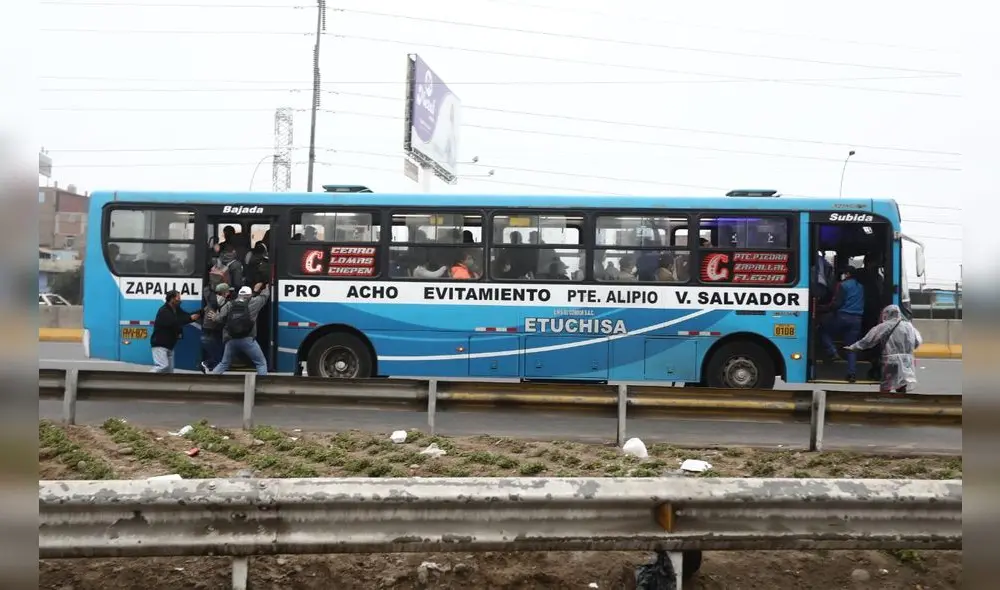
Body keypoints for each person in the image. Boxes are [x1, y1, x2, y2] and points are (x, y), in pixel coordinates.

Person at [844, 304, 922, 394]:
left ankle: (883, 404)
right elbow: (918, 341)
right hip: (907, 361)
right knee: (902, 384)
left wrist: (853, 347)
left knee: (886, 385)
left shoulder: (884, 326)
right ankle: (901, 404)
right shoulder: (909, 326)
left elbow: (867, 341)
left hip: (890, 360)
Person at [817, 264, 865, 382]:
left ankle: (832, 352)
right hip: (857, 320)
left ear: (847, 274)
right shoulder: (861, 287)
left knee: (822, 329)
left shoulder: (843, 285)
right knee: (851, 347)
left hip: (843, 317)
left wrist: (823, 308)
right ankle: (852, 374)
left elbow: (836, 304)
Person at [210, 283, 270, 375]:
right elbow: (264, 297)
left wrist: (215, 317)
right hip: (248, 339)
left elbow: (220, 319)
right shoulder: (254, 302)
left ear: (239, 295)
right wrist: (266, 288)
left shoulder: (229, 304)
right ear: (249, 295)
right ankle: (263, 385)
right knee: (261, 363)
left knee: (224, 363)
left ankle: (211, 380)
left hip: (231, 339)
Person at [149, 290, 200, 373]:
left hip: (170, 345)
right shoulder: (164, 311)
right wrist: (190, 318)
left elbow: (185, 316)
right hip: (160, 344)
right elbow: (175, 322)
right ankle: (145, 378)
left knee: (169, 371)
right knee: (162, 366)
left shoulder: (176, 309)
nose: (180, 300)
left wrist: (201, 312)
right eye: (178, 298)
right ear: (172, 299)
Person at [199, 282, 232, 373]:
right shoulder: (225, 303)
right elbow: (222, 318)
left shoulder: (210, 298)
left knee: (216, 352)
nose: (229, 293)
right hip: (215, 329)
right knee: (219, 354)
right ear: (224, 293)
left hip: (206, 328)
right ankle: (207, 364)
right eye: (228, 291)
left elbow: (206, 289)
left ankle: (210, 366)